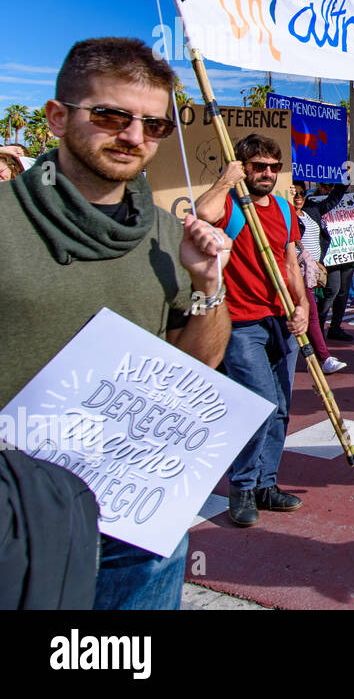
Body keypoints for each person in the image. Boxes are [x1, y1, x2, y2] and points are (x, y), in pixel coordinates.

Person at [0, 36, 231, 609]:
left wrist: (209, 285)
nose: (133, 136)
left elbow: (197, 363)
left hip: (139, 521)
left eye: (154, 126)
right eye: (110, 115)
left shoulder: (167, 234)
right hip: (20, 520)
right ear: (57, 117)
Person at [196, 134, 310, 528]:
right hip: (240, 323)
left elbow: (292, 264)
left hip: (280, 318)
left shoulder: (283, 208)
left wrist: (303, 305)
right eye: (258, 166)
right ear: (244, 167)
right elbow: (201, 211)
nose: (266, 173)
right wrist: (226, 180)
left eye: (273, 167)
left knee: (280, 408)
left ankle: (266, 484)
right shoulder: (230, 204)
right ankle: (241, 487)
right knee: (259, 403)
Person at [291, 181, 346, 374]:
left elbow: (332, 201)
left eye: (301, 193)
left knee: (326, 297)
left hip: (314, 270)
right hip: (297, 271)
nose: (298, 197)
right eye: (294, 193)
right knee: (311, 314)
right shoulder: (287, 216)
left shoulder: (311, 211)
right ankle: (324, 358)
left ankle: (313, 351)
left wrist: (345, 179)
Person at [306, 182, 354, 342]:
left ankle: (335, 327)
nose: (329, 189)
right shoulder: (311, 203)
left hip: (346, 250)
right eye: (327, 186)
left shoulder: (348, 198)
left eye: (332, 186)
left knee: (343, 292)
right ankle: (319, 326)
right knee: (332, 291)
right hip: (329, 254)